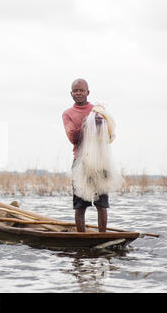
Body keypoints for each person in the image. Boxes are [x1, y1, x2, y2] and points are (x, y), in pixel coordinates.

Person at [62, 78, 108, 233]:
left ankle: (102, 236)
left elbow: (108, 136)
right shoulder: (68, 114)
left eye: (81, 90)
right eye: (75, 90)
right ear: (71, 94)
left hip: (99, 161)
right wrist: (86, 123)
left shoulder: (97, 110)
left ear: (88, 92)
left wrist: (99, 123)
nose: (78, 93)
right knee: (80, 205)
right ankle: (81, 237)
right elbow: (73, 138)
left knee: (101, 204)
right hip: (80, 162)